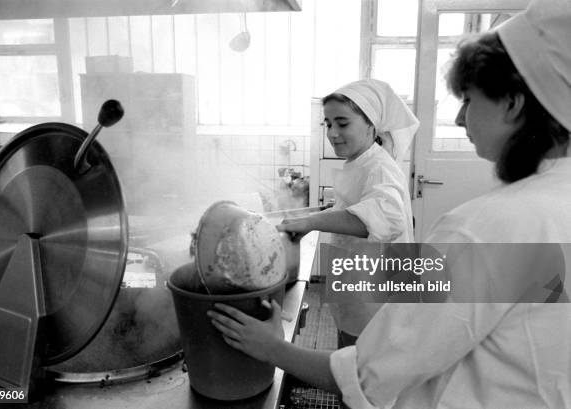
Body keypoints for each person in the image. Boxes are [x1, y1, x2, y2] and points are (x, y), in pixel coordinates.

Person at [207, 0, 571, 407]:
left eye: (468, 99)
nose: (458, 118)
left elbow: (372, 374)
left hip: (382, 288)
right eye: (328, 124)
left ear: (513, 102)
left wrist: (272, 347)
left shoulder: (488, 225)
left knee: (361, 345)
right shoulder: (555, 202)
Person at [278, 79, 419, 345]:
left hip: (375, 300)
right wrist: (322, 212)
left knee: (361, 373)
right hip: (358, 289)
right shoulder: (360, 162)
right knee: (349, 360)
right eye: (328, 124)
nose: (332, 133)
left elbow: (385, 219)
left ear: (370, 125)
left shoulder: (379, 167)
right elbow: (354, 208)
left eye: (343, 123)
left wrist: (311, 222)